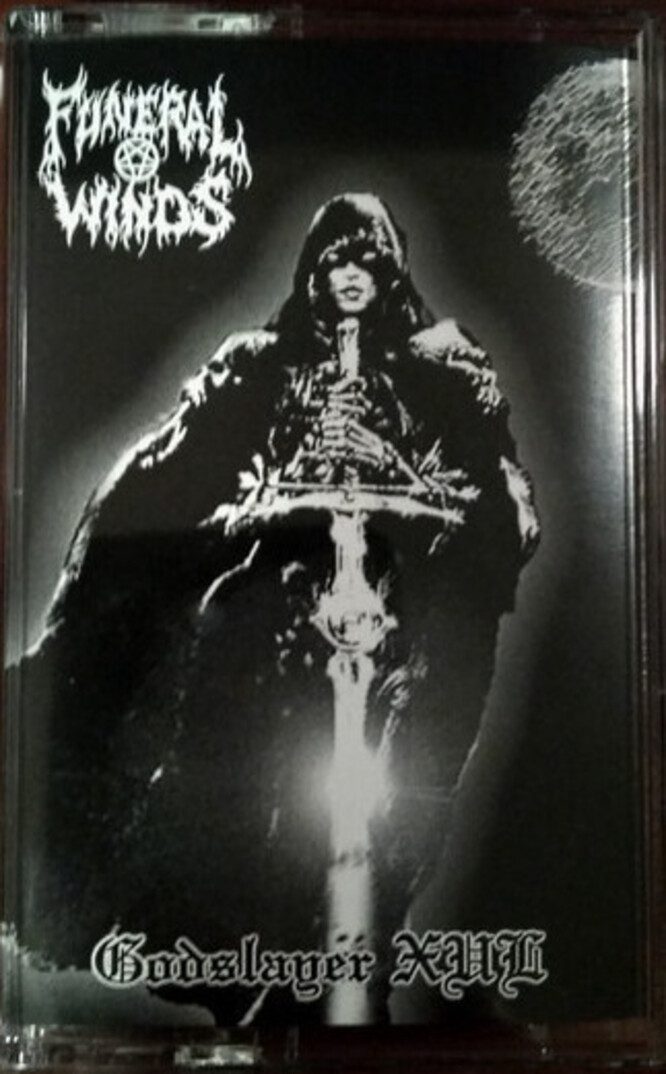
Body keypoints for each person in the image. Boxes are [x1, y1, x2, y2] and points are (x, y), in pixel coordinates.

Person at [17, 193, 539, 1023]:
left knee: (412, 766)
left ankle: (356, 953)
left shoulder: (443, 367)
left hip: (404, 602)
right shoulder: (259, 366)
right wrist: (244, 514)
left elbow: (502, 496)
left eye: (368, 259)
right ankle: (234, 938)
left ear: (391, 272)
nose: (352, 274)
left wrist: (435, 504)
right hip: (282, 588)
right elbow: (163, 476)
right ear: (312, 274)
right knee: (229, 686)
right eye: (336, 259)